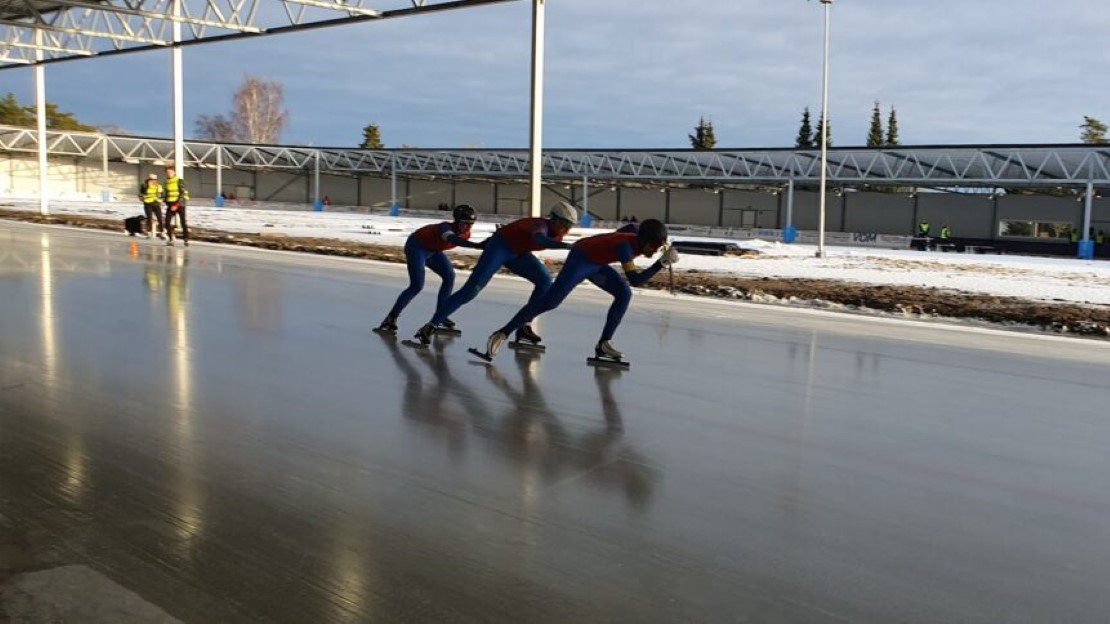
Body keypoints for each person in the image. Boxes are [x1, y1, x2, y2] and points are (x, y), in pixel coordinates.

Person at [479, 218, 679, 363]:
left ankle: (604, 343)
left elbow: (628, 227)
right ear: (644, 240)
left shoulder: (637, 233)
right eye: (653, 246)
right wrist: (660, 264)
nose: (653, 251)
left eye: (659, 248)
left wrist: (661, 246)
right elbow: (636, 280)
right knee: (551, 301)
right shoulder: (625, 249)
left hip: (598, 261)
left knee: (623, 294)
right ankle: (502, 333)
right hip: (582, 258)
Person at [409, 201, 578, 346]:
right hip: (499, 247)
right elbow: (540, 239)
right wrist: (568, 247)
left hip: (518, 253)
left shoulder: (557, 236)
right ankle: (431, 325)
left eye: (569, 226)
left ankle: (524, 326)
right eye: (564, 223)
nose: (566, 229)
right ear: (553, 219)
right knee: (471, 290)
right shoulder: (540, 225)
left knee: (545, 282)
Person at [375, 205, 482, 335]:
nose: (468, 227)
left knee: (449, 276)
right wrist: (476, 245)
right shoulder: (445, 227)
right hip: (416, 247)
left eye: (471, 224)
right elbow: (451, 238)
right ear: (457, 221)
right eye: (465, 223)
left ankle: (440, 315)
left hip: (432, 251)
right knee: (416, 286)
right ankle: (391, 317)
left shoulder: (466, 234)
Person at [162, 166, 189, 247]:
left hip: (180, 204)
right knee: (167, 222)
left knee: (182, 222)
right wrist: (164, 201)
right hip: (171, 204)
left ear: (174, 172)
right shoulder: (166, 182)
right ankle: (171, 239)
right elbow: (166, 194)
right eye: (167, 172)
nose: (169, 174)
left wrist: (176, 204)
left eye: (170, 172)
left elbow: (182, 193)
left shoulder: (179, 180)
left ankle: (186, 238)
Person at [138, 173, 164, 239]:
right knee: (149, 218)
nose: (153, 181)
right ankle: (149, 233)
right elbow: (140, 195)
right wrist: (143, 197)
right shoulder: (144, 186)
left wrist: (161, 200)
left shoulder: (158, 186)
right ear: (149, 179)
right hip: (147, 204)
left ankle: (162, 233)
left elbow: (162, 195)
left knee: (160, 218)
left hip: (156, 203)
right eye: (152, 179)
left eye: (155, 179)